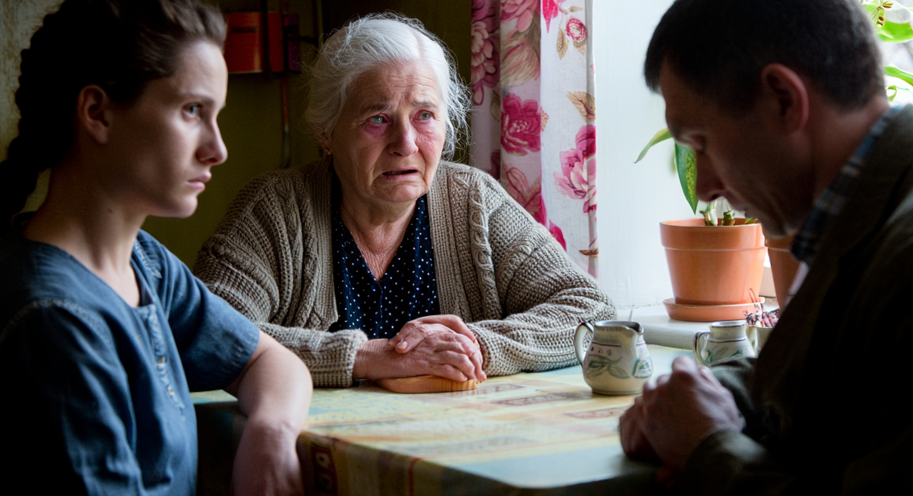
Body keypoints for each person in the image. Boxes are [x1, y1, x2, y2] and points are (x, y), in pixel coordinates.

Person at [619, 0, 913, 496]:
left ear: (783, 99)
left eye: (702, 144)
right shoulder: (869, 210)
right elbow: (836, 384)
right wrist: (706, 395)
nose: (705, 187)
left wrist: (710, 450)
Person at [0, 1, 313, 496]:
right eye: (191, 111)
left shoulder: (143, 262)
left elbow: (266, 359)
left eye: (217, 115)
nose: (218, 149)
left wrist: (272, 435)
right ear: (98, 112)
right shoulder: (51, 320)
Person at [194, 14, 615, 388]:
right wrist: (370, 357)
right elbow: (206, 332)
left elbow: (590, 309)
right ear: (326, 132)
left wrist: (470, 346)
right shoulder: (276, 210)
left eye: (424, 115)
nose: (406, 143)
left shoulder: (473, 202)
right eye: (377, 119)